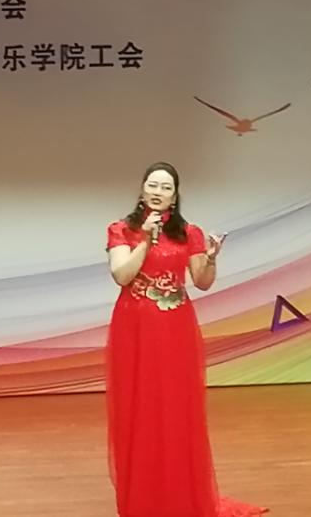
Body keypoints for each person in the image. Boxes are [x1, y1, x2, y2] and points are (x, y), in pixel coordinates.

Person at [105, 162, 268, 517]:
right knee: (139, 406)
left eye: (166, 187)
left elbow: (202, 281)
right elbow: (122, 275)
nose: (158, 192)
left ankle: (181, 495)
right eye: (152, 185)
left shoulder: (189, 233)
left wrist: (210, 259)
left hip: (175, 328)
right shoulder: (122, 229)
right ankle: (142, 499)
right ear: (142, 189)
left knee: (177, 407)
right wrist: (145, 241)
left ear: (175, 196)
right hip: (134, 328)